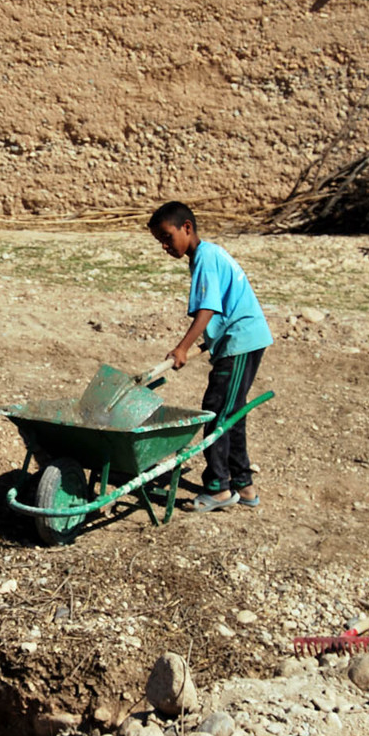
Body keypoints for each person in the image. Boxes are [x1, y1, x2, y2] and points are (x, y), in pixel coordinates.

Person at [148, 201, 273, 512]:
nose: (165, 246)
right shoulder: (209, 254)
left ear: (187, 228)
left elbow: (208, 308)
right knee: (232, 413)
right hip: (239, 338)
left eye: (167, 237)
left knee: (216, 412)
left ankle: (218, 488)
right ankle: (244, 485)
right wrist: (208, 342)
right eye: (160, 241)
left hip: (240, 341)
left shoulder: (205, 257)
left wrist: (183, 347)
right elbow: (225, 304)